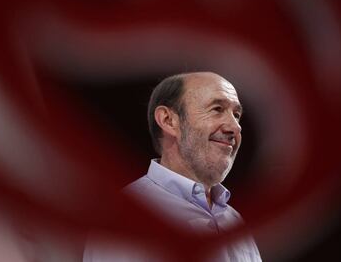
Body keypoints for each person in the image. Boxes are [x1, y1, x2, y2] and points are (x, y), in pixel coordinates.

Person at [84, 72, 261, 261]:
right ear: (169, 121)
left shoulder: (235, 221)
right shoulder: (123, 217)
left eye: (236, 115)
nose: (235, 127)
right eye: (217, 109)